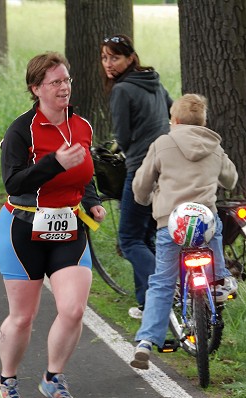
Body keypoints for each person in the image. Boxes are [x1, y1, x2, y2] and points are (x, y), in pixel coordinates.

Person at [0, 51, 106, 398]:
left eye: (67, 80)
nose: (64, 87)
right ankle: (7, 382)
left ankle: (53, 376)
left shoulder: (82, 125)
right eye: (55, 82)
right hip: (23, 228)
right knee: (23, 316)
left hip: (69, 226)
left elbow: (85, 173)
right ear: (36, 88)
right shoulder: (21, 130)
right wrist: (53, 163)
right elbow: (13, 182)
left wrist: (92, 200)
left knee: (73, 309)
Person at [129, 93, 238, 370]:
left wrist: (143, 199)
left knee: (162, 283)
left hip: (172, 223)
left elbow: (142, 184)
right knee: (215, 228)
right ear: (203, 122)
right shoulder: (214, 145)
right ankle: (219, 281)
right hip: (204, 222)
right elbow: (230, 180)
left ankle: (145, 341)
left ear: (174, 120)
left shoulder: (162, 143)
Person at [100, 34, 173, 319]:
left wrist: (124, 148)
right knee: (147, 235)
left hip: (142, 169)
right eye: (104, 57)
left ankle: (167, 286)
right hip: (166, 167)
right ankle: (147, 304)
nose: (108, 63)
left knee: (129, 239)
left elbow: (123, 136)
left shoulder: (122, 90)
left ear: (130, 58)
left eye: (115, 57)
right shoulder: (154, 81)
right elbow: (172, 112)